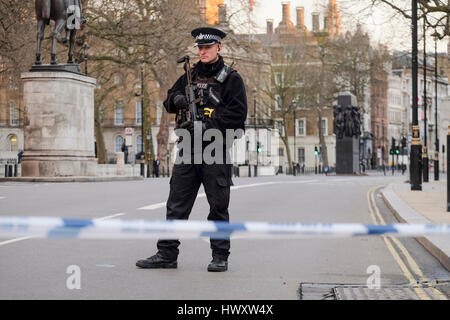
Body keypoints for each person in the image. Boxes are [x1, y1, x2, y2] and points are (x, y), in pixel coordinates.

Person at [136, 27, 247, 272]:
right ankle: (167, 254)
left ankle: (220, 256)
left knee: (218, 206)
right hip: (187, 148)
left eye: (207, 47)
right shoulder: (189, 75)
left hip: (215, 149)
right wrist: (176, 100)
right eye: (200, 48)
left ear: (219, 47)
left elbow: (238, 116)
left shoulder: (231, 79)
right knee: (176, 204)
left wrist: (207, 125)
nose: (203, 51)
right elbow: (169, 99)